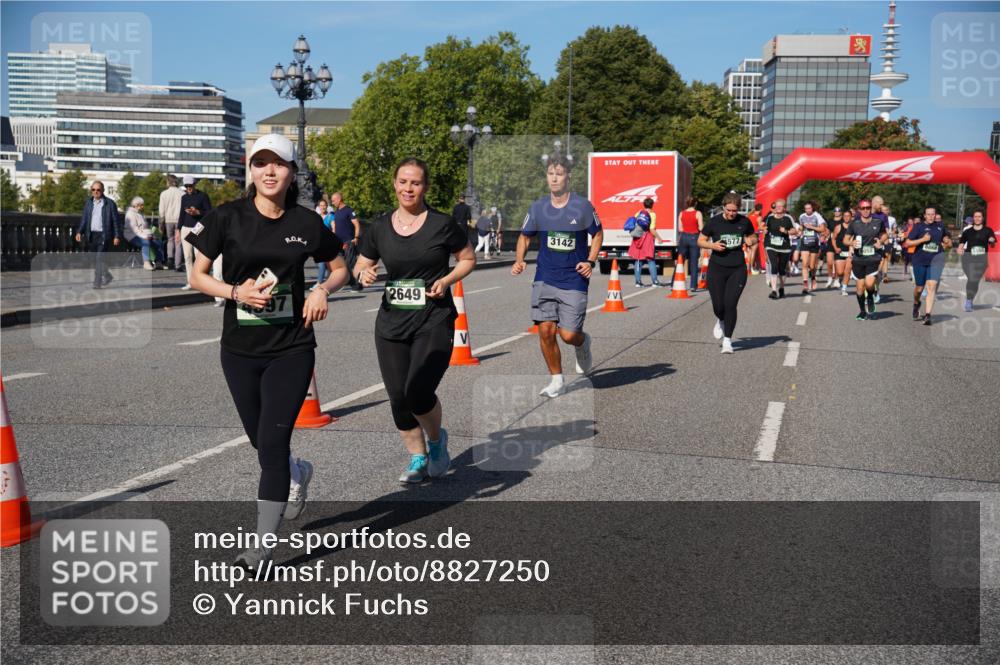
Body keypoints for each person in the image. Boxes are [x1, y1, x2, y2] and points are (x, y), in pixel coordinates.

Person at [185, 133, 349, 568]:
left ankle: (263, 546)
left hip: (291, 347)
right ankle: (298, 473)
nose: (269, 171)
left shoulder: (306, 222)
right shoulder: (226, 218)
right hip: (239, 348)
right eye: (261, 163)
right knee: (261, 441)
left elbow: (340, 268)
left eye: (279, 163)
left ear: (293, 171)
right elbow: (197, 277)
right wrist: (235, 292)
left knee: (273, 443)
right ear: (251, 170)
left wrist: (321, 290)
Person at [354, 158, 475, 483]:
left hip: (433, 318)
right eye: (403, 182)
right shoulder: (378, 228)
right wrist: (363, 272)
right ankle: (417, 457)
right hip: (391, 323)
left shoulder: (442, 224)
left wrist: (447, 280)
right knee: (398, 398)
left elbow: (467, 258)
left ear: (426, 187)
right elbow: (360, 265)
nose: (409, 188)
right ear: (394, 184)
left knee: (418, 392)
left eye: (416, 183)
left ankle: (436, 441)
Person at [512, 154, 603, 396]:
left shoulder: (582, 206)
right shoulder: (538, 207)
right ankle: (556, 379)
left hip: (574, 278)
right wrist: (519, 260)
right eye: (551, 173)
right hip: (545, 276)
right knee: (545, 330)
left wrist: (590, 261)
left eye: (559, 174)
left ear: (568, 177)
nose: (554, 178)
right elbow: (525, 235)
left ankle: (583, 342)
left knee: (568, 334)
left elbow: (597, 234)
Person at [698, 192, 757, 353]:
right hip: (717, 267)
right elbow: (700, 240)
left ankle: (727, 341)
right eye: (728, 210)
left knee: (730, 304)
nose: (731, 213)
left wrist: (750, 241)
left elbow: (753, 237)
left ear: (739, 209)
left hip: (737, 268)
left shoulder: (744, 222)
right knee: (718, 305)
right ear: (723, 207)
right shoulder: (714, 222)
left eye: (734, 210)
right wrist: (713, 246)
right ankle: (720, 319)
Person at [905, 206, 952, 325]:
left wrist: (948, 242)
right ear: (924, 215)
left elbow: (948, 241)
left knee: (931, 286)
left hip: (936, 261)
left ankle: (927, 315)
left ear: (935, 215)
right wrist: (922, 240)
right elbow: (908, 243)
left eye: (933, 214)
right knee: (919, 288)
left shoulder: (940, 226)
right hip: (920, 260)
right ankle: (916, 303)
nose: (931, 216)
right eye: (928, 214)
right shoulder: (918, 227)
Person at [845, 199, 888, 320]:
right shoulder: (854, 224)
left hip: (873, 258)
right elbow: (845, 239)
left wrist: (881, 241)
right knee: (859, 288)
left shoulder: (878, 222)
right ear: (859, 210)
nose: (865, 210)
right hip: (858, 259)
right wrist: (852, 242)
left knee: (869, 284)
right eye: (863, 208)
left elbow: (885, 234)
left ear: (871, 209)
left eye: (868, 208)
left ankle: (870, 296)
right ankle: (862, 311)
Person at [74, 180, 122, 289]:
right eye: (93, 190)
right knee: (94, 259)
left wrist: (117, 236)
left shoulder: (110, 204)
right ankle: (107, 275)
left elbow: (115, 221)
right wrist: (79, 232)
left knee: (99, 259)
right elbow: (84, 219)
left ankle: (97, 282)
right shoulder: (88, 203)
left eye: (98, 190)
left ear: (103, 191)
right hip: (91, 235)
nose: (96, 192)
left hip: (104, 235)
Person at [178, 175, 213, 291]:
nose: (188, 188)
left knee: (199, 257)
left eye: (190, 186)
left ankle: (201, 282)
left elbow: (210, 213)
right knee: (187, 257)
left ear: (194, 185)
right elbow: (181, 215)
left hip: (198, 228)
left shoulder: (202, 196)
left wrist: (197, 212)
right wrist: (178, 230)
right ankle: (190, 282)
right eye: (186, 186)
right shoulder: (184, 198)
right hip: (185, 228)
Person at [958, 210, 996, 311]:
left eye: (979, 216)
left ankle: (970, 299)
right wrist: (960, 248)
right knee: (971, 279)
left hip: (981, 260)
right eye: (975, 216)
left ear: (982, 218)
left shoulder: (988, 230)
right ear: (973, 218)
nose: (977, 218)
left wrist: (991, 241)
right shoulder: (968, 231)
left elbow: (992, 242)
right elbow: (962, 242)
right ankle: (968, 301)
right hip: (968, 258)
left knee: (975, 281)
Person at [763, 198, 798, 299]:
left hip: (784, 247)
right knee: (773, 265)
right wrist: (764, 230)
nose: (778, 208)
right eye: (776, 206)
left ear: (784, 208)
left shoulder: (788, 218)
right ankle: (774, 290)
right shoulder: (770, 217)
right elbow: (764, 227)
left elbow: (794, 231)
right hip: (771, 245)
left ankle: (781, 287)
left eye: (780, 206)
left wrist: (786, 231)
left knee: (781, 269)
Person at [329, 191, 361, 291]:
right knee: (340, 265)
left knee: (347, 265)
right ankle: (346, 281)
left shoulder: (348, 210)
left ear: (339, 199)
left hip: (348, 241)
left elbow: (357, 224)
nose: (332, 203)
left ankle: (356, 286)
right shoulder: (337, 212)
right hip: (339, 243)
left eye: (333, 201)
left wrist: (356, 237)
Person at [124, 196, 166, 270]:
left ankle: (159, 263)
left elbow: (145, 228)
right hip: (132, 236)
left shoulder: (141, 214)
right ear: (136, 205)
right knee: (145, 242)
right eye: (141, 205)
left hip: (142, 234)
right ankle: (146, 263)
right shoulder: (130, 214)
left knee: (159, 242)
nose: (143, 206)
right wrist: (145, 237)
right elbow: (135, 229)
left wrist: (151, 235)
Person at [629, 197, 660, 287]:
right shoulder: (652, 214)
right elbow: (651, 229)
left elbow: (634, 223)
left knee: (638, 259)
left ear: (644, 204)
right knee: (650, 259)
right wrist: (659, 238)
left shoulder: (639, 213)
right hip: (647, 237)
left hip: (638, 238)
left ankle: (638, 282)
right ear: (652, 205)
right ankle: (655, 281)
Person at [797, 201, 826, 293]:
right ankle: (805, 283)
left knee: (812, 266)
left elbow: (822, 229)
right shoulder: (802, 216)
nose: (807, 210)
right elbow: (801, 227)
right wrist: (800, 230)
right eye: (806, 208)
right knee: (805, 264)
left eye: (809, 208)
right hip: (805, 242)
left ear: (812, 208)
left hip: (814, 242)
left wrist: (812, 227)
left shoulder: (817, 216)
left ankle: (813, 277)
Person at [676, 196, 703, 292]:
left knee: (680, 261)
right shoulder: (698, 213)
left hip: (683, 237)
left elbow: (680, 229)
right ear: (695, 203)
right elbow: (700, 228)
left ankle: (673, 283)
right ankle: (693, 286)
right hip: (694, 237)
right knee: (694, 262)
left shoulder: (681, 213)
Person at [159, 175, 184, 270]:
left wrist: (161, 223)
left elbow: (161, 211)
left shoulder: (164, 194)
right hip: (179, 220)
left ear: (168, 182)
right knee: (178, 242)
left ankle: (170, 259)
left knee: (170, 240)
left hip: (168, 220)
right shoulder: (182, 193)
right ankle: (178, 265)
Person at [831, 208, 854, 296]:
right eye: (845, 216)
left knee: (847, 270)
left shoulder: (854, 227)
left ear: (851, 217)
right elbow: (833, 239)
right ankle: (841, 279)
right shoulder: (838, 227)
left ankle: (844, 288)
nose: (846, 218)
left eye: (848, 216)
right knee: (840, 272)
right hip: (840, 251)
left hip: (850, 252)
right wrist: (836, 248)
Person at [823, 206, 842, 287]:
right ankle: (830, 277)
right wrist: (824, 235)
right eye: (835, 211)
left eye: (838, 211)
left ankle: (837, 280)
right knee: (830, 262)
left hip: (840, 244)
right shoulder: (830, 221)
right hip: (831, 243)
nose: (837, 212)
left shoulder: (843, 221)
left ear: (841, 212)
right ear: (834, 212)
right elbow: (827, 231)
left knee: (837, 263)